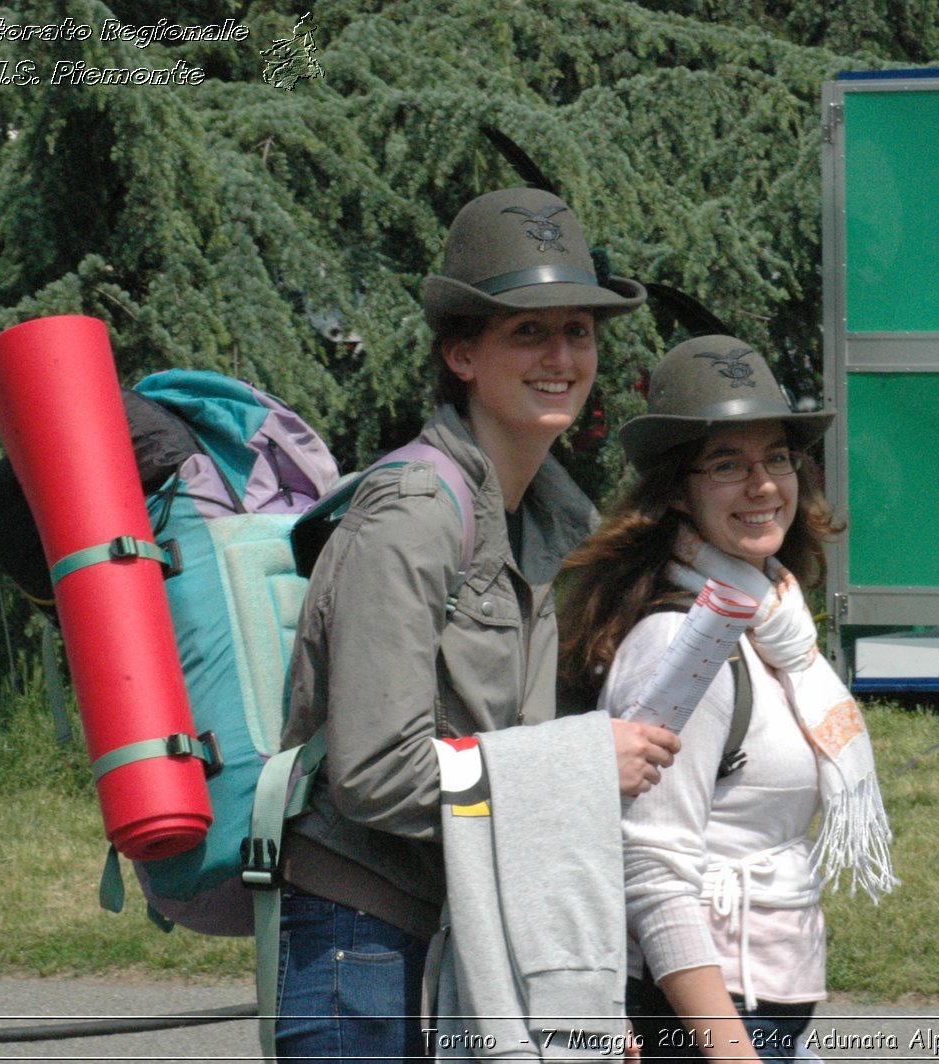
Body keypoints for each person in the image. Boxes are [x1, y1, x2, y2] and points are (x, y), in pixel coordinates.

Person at [275, 186, 682, 1062]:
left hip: (474, 930)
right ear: (461, 353)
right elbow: (376, 775)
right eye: (528, 332)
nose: (562, 356)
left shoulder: (557, 524)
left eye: (578, 332)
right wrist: (579, 769)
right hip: (362, 945)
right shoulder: (413, 514)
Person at [558, 336, 896, 1061]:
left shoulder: (774, 626)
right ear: (678, 491)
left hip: (763, 1011)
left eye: (778, 457)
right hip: (713, 1024)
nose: (764, 485)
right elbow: (651, 869)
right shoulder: (686, 647)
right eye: (727, 465)